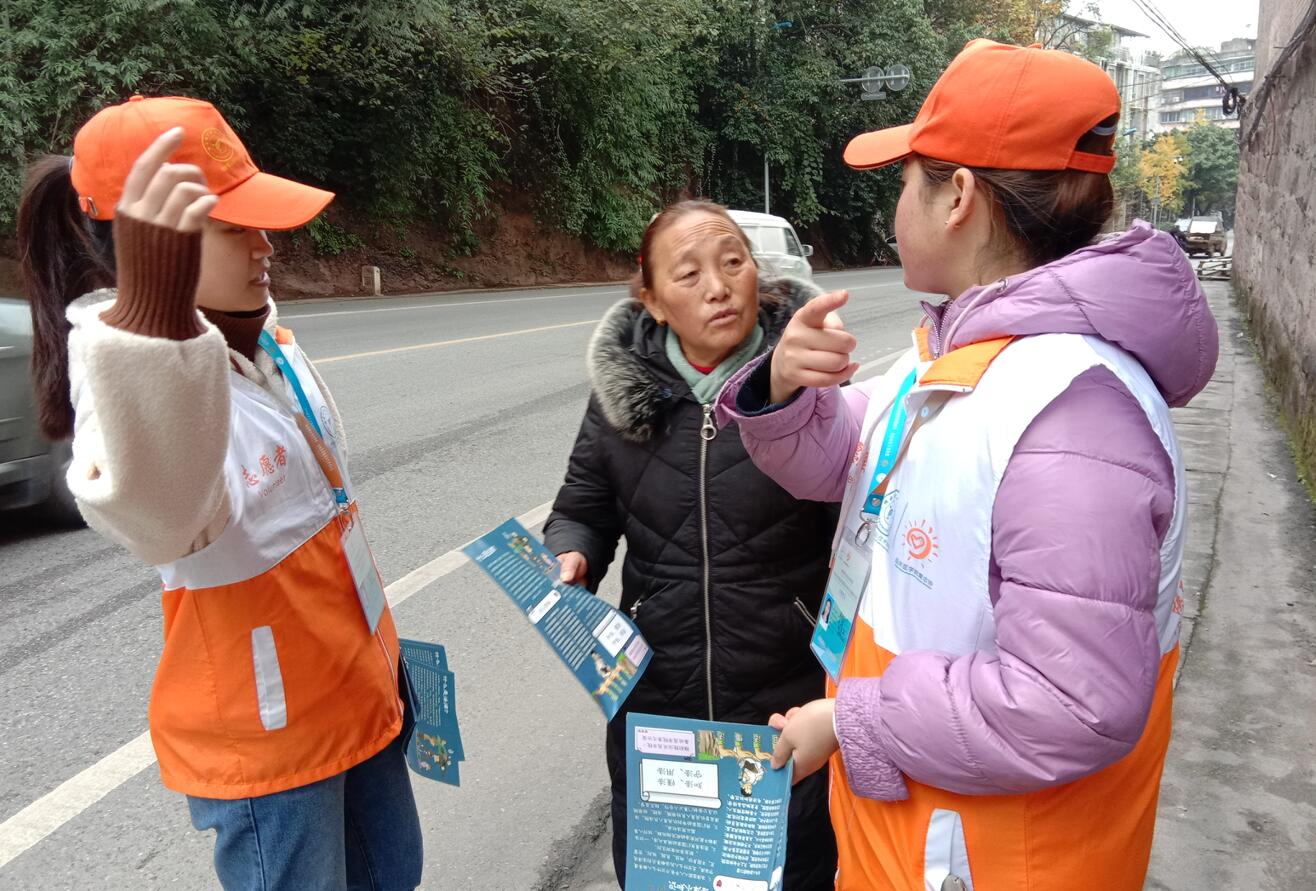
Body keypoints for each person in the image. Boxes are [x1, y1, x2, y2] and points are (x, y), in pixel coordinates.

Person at [716, 40, 1219, 890]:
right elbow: (843, 462)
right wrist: (785, 388)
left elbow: (1072, 701)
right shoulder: (951, 353)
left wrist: (852, 717)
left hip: (997, 863)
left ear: (957, 196)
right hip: (916, 846)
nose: (893, 209)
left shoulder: (1070, 412)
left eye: (905, 181)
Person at [18, 96, 422, 890]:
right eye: (234, 227)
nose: (266, 245)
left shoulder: (258, 333)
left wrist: (387, 664)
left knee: (393, 875)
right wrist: (154, 326)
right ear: (148, 248)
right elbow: (163, 518)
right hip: (273, 745)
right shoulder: (130, 384)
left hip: (355, 692)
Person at [543, 200, 839, 889]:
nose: (718, 287)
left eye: (734, 262)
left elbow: (858, 529)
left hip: (785, 703)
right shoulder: (620, 399)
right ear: (652, 300)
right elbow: (582, 507)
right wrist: (572, 552)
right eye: (689, 273)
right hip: (659, 705)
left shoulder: (809, 386)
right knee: (667, 874)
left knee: (790, 869)